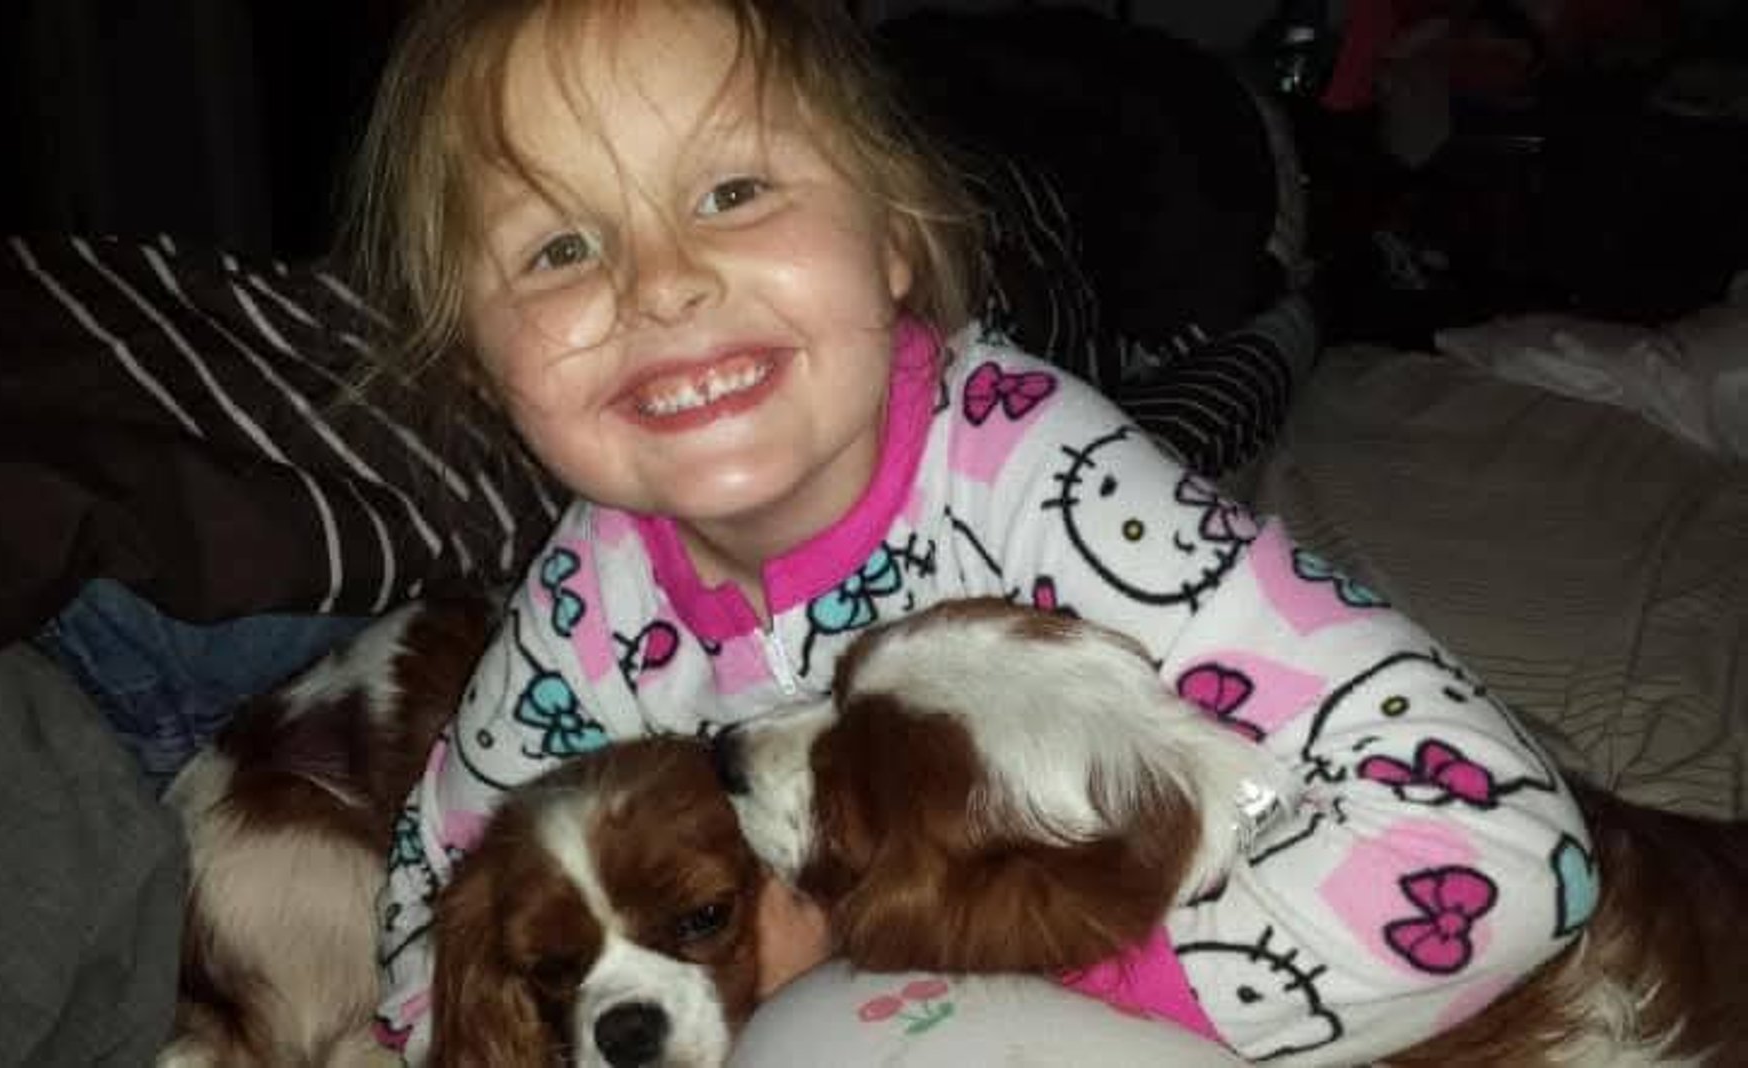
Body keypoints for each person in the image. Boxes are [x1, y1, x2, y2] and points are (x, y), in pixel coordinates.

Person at [344, 0, 1593, 1062]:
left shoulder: (1046, 482)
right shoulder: (588, 596)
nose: (660, 283)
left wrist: (993, 959)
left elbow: (1514, 852)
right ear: (478, 362)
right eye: (562, 246)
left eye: (732, 190)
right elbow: (429, 911)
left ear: (895, 238)